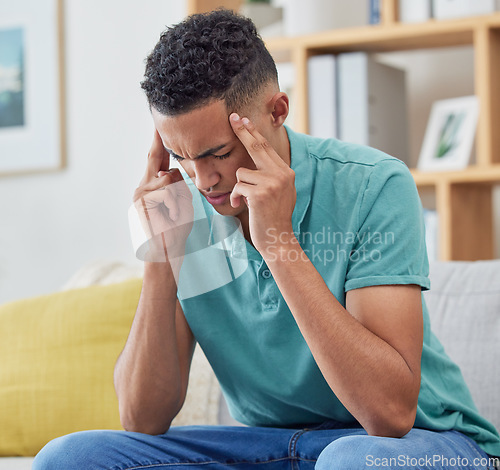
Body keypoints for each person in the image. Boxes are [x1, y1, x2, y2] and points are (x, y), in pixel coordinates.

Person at [33, 8, 500, 470]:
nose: (203, 180)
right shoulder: (185, 207)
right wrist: (161, 253)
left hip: (421, 444)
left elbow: (389, 414)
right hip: (270, 445)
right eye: (181, 156)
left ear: (277, 111)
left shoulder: (373, 186)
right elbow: (140, 418)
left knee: (351, 461)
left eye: (218, 152)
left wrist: (278, 243)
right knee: (70, 458)